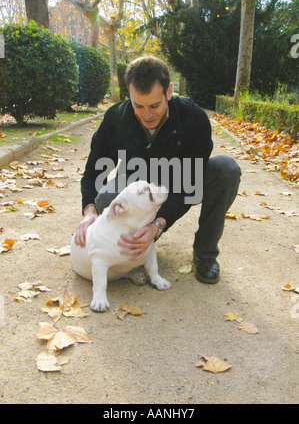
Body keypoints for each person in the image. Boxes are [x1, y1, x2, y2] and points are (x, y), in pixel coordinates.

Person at [74, 56, 241, 283]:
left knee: (226, 169)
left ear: (169, 91)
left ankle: (205, 253)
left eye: (154, 105)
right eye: (138, 105)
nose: (147, 115)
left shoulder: (194, 119)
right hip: (139, 183)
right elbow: (94, 172)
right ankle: (131, 251)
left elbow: (189, 186)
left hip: (182, 182)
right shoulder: (115, 118)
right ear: (129, 95)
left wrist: (157, 225)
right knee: (106, 203)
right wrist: (89, 212)